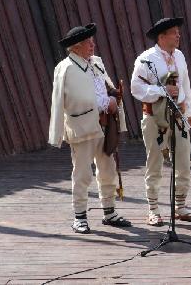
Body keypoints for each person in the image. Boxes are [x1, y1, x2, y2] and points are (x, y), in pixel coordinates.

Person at [49, 23, 131, 233]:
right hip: (82, 128)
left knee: (108, 170)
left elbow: (106, 86)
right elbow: (63, 101)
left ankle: (109, 212)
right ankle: (80, 217)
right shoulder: (65, 68)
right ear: (76, 46)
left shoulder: (96, 62)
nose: (92, 45)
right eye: (88, 42)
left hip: (104, 126)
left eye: (91, 41)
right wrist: (56, 134)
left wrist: (113, 100)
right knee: (82, 174)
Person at [131, 17, 191, 226]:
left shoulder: (179, 55)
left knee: (184, 161)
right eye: (174, 32)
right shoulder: (146, 59)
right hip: (155, 118)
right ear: (162, 36)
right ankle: (153, 210)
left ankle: (180, 206)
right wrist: (162, 90)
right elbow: (136, 89)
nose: (178, 35)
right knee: (155, 162)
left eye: (178, 32)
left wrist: (189, 111)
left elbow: (185, 84)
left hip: (179, 116)